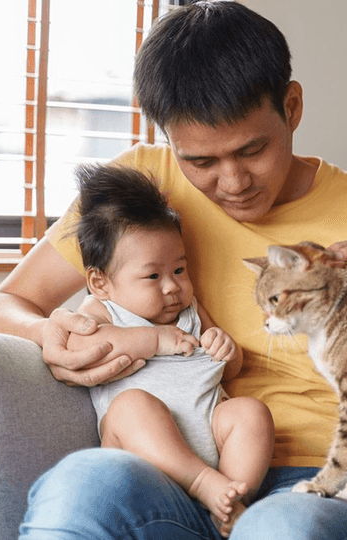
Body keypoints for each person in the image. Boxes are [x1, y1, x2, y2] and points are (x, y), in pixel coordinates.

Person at [0, 2, 347, 539]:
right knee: (83, 484)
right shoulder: (140, 187)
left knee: (282, 529)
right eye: (201, 162)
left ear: (292, 106)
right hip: (176, 471)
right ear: (168, 138)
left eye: (252, 149)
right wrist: (45, 332)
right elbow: (0, 308)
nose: (233, 182)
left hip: (326, 477)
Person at [70, 162, 273, 536]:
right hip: (146, 454)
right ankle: (205, 485)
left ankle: (228, 500)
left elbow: (229, 368)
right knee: (131, 406)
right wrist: (155, 339)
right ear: (101, 283)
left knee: (250, 413)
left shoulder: (189, 310)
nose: (172, 287)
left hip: (211, 438)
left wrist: (225, 349)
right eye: (153, 276)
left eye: (179, 270)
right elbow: (84, 346)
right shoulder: (102, 310)